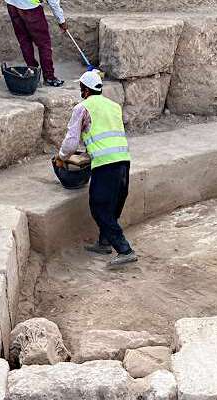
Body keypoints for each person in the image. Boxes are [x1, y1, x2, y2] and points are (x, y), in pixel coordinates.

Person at [54, 71, 138, 268]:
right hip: (123, 160)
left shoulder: (82, 108)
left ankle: (125, 250)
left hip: (105, 164)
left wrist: (61, 158)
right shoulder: (114, 106)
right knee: (113, 204)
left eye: (80, 88)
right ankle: (104, 241)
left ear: (84, 89)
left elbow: (71, 141)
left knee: (99, 206)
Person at [5, 0, 66, 87]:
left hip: (12, 5)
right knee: (44, 44)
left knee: (24, 41)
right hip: (31, 8)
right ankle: (49, 77)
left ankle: (32, 72)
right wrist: (61, 21)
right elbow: (53, 3)